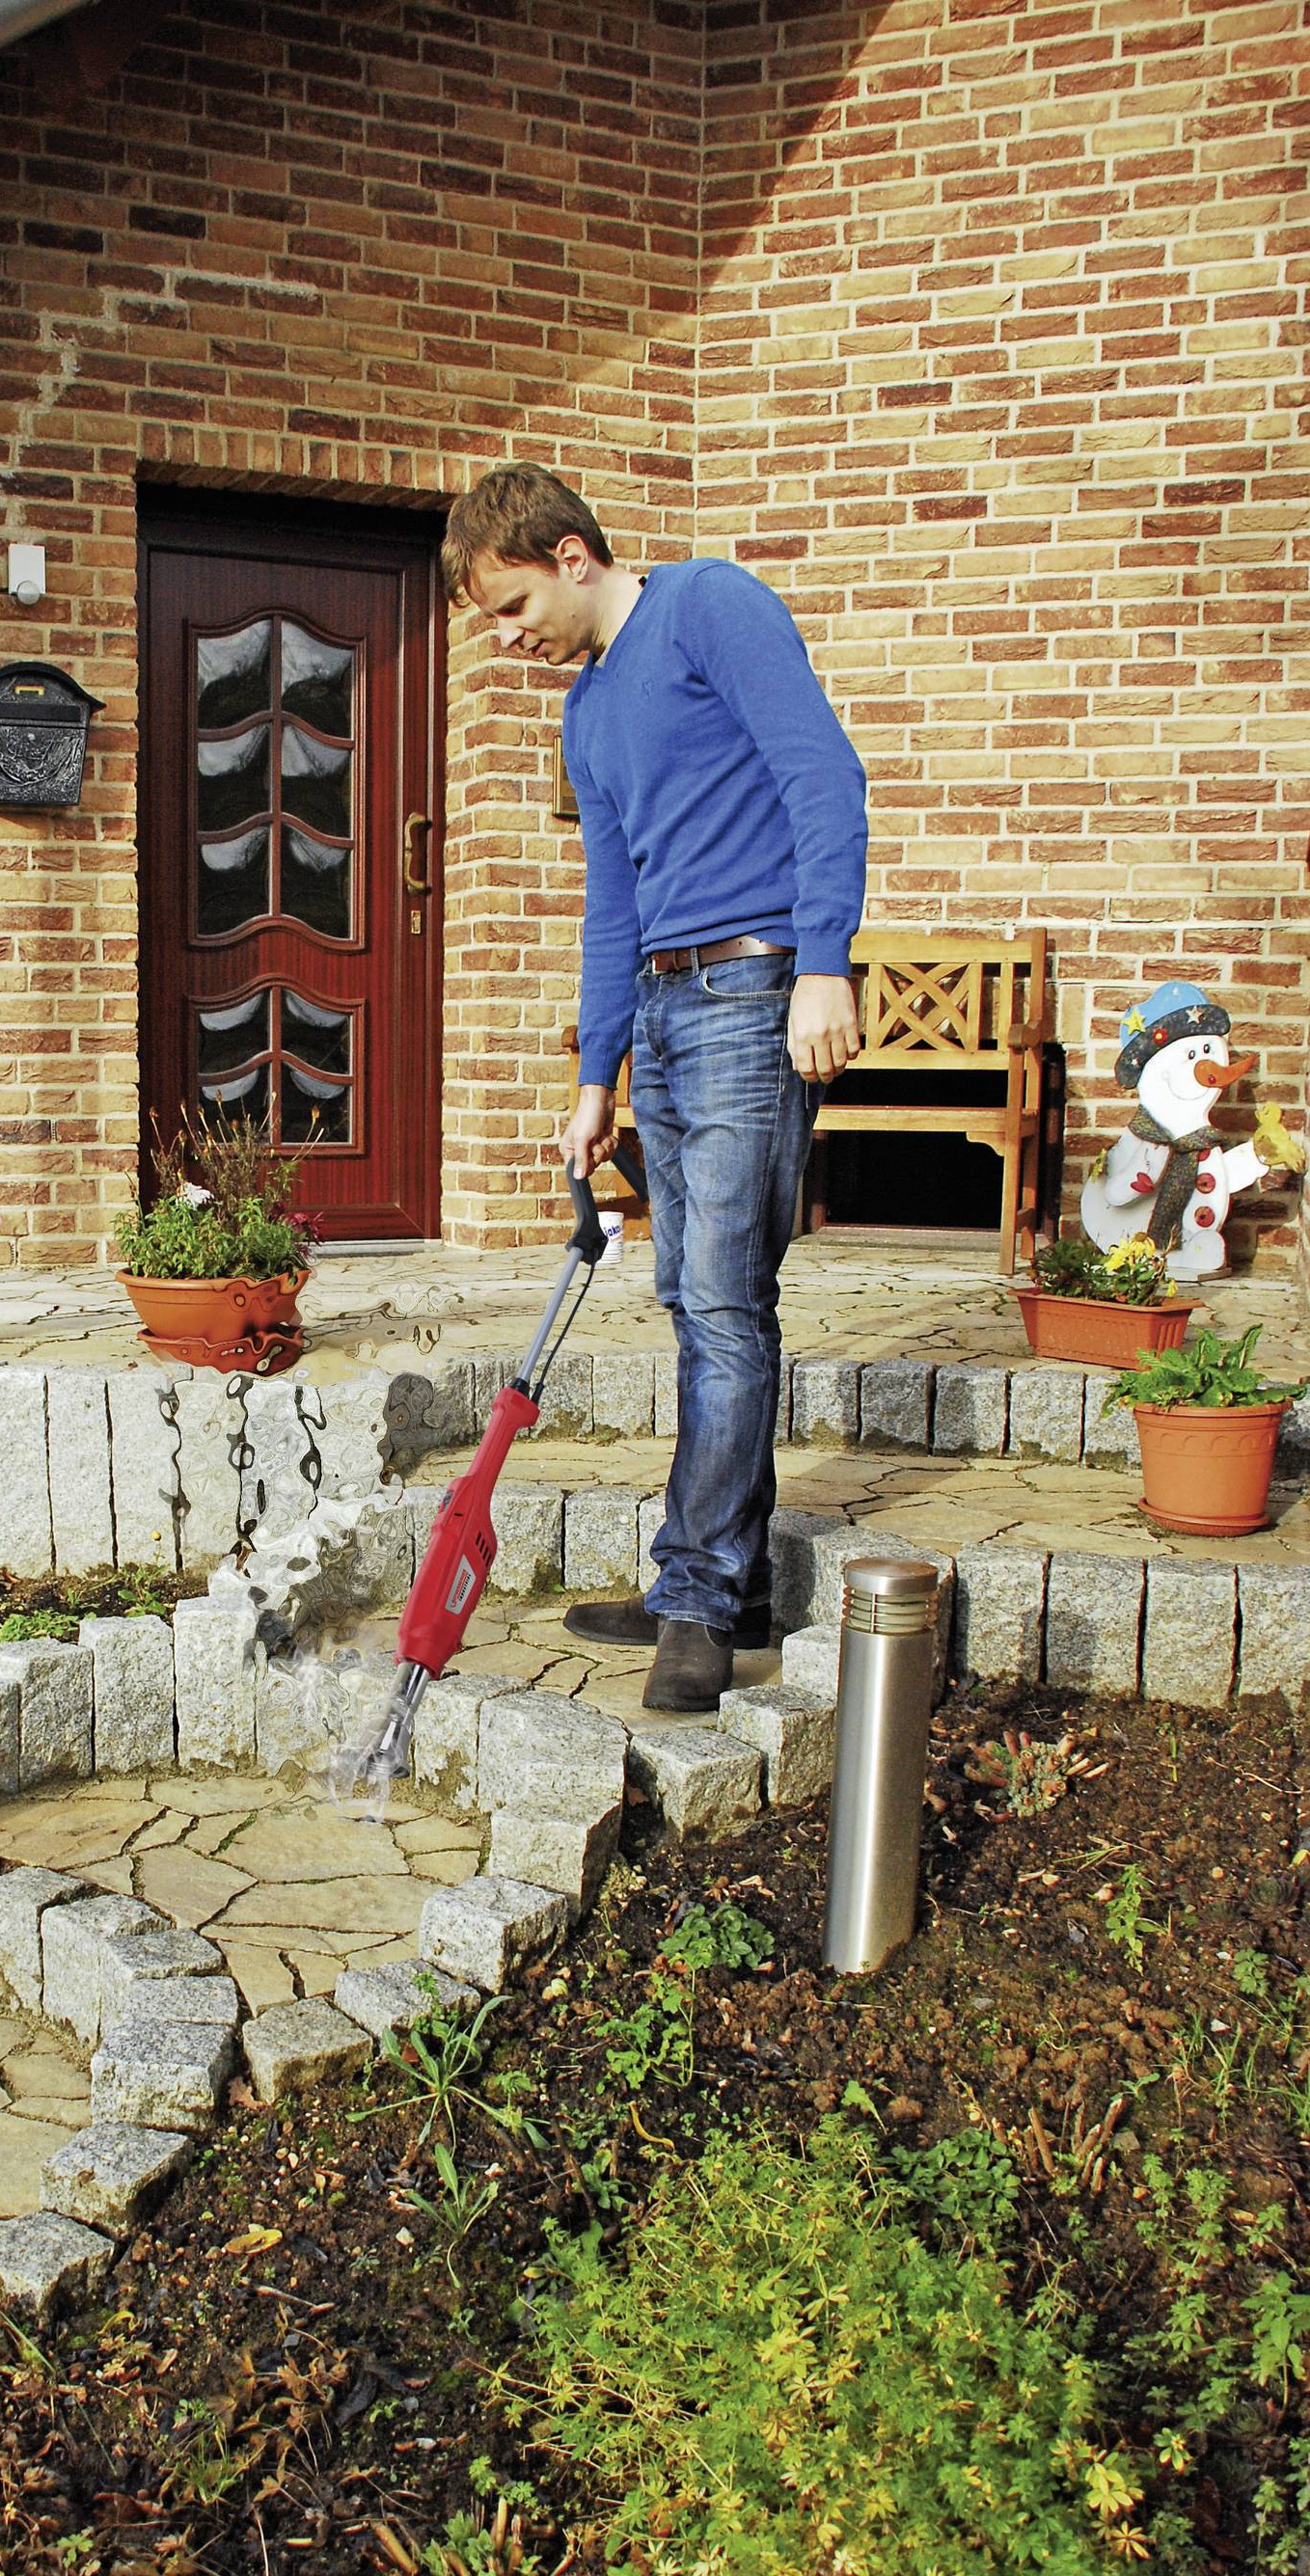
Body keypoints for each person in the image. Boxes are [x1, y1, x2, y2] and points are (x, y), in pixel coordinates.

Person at [441, 465, 867, 1712]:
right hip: (672, 1016)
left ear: (572, 554)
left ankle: (697, 1606)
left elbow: (822, 778)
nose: (508, 639)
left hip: (755, 988)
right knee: (694, 1300)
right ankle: (717, 1583)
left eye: (512, 607)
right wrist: (594, 1077)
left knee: (726, 1305)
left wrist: (826, 965)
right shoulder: (584, 713)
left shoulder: (710, 609)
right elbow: (613, 906)